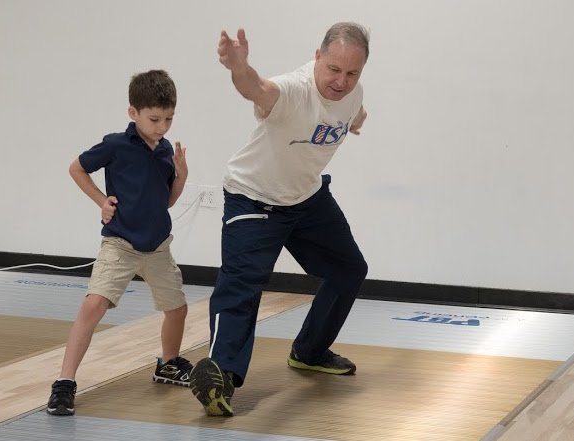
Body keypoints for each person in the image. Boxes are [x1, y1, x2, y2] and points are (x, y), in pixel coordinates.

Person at [189, 23, 371, 417]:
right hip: (253, 198)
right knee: (242, 286)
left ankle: (309, 351)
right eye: (334, 69)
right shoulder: (293, 90)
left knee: (349, 269)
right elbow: (258, 89)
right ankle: (220, 377)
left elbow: (354, 114)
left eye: (352, 73)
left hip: (307, 199)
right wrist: (240, 68)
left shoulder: (353, 94)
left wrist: (356, 120)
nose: (341, 81)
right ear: (317, 56)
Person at [47, 69, 193, 416]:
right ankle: (64, 382)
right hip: (120, 244)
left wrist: (182, 176)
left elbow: (167, 201)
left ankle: (168, 364)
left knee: (178, 308)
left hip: (157, 246)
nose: (162, 126)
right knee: (92, 306)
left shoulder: (165, 151)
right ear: (134, 113)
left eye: (169, 119)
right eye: (155, 119)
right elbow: (76, 168)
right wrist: (102, 200)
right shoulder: (115, 145)